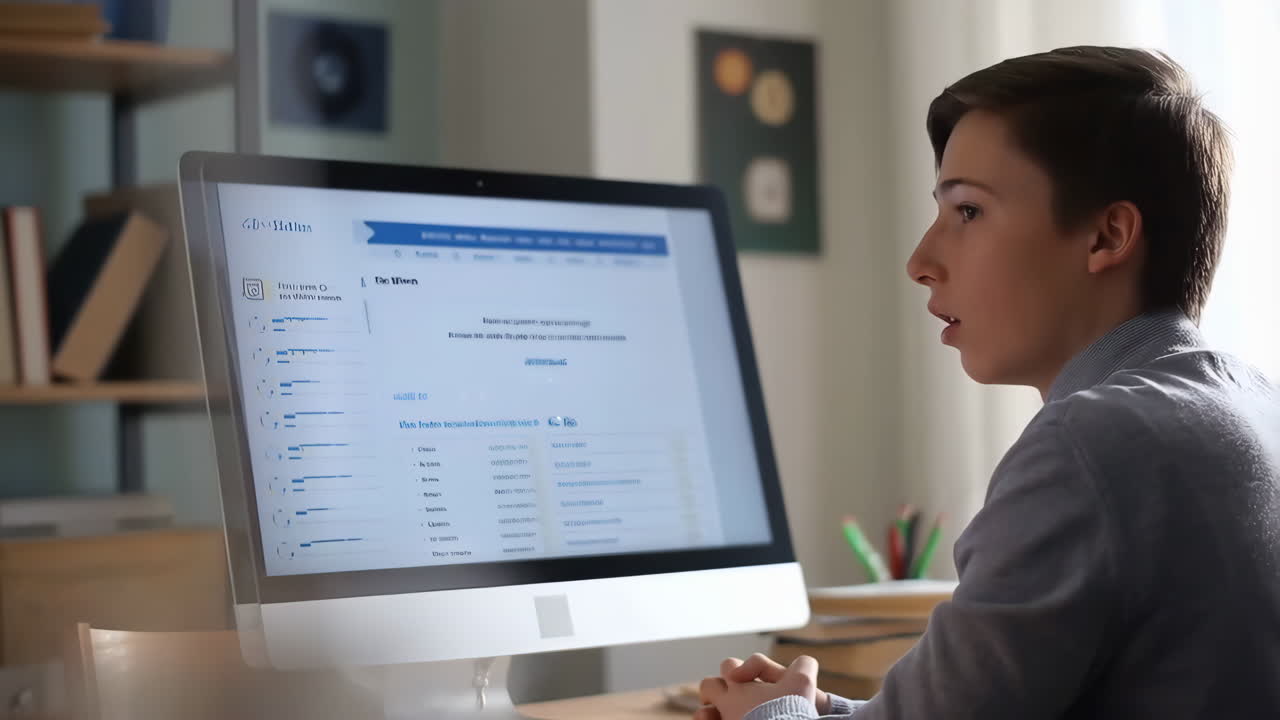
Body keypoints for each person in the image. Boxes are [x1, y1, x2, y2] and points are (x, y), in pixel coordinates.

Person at [696, 45, 1280, 720]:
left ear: (1106, 236)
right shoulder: (1253, 404)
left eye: (967, 211)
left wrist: (767, 716)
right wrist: (816, 708)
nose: (921, 261)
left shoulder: (1089, 446)